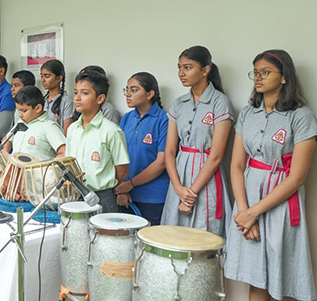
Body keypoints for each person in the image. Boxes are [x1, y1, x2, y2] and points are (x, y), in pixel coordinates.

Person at [225, 50, 317, 301]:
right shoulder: (247, 113)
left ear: (284, 76)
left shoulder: (301, 116)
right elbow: (237, 165)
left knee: (281, 279)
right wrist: (242, 209)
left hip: (280, 203)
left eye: (265, 72)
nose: (259, 78)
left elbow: (296, 177)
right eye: (255, 73)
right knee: (256, 275)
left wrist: (254, 212)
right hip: (248, 197)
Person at [161, 45, 233, 236]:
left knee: (204, 236)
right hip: (179, 174)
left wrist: (190, 194)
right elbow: (169, 151)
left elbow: (217, 155)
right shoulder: (178, 104)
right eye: (179, 67)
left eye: (188, 67)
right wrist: (178, 187)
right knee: (174, 236)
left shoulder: (220, 102)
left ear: (205, 70)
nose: (181, 73)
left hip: (205, 177)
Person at [65, 71, 129, 213]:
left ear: (100, 98)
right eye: (76, 93)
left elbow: (122, 171)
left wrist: (104, 183)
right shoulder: (72, 129)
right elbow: (69, 162)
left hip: (103, 196)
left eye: (85, 93)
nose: (77, 98)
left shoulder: (111, 131)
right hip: (76, 196)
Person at [115, 72, 169, 225]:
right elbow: (117, 156)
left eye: (134, 90)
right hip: (126, 193)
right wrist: (122, 188)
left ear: (150, 94)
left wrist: (130, 184)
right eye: (126, 90)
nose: (128, 95)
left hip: (153, 197)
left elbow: (161, 162)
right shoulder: (126, 118)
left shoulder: (164, 119)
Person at [2, 86, 65, 160]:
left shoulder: (49, 127)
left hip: (38, 170)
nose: (19, 115)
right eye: (18, 110)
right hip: (16, 170)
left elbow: (64, 152)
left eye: (24, 111)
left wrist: (47, 168)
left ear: (38, 108)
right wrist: (6, 154)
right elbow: (6, 140)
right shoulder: (20, 123)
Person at [41, 60, 74, 134]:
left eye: (47, 76)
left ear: (59, 78)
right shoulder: (42, 100)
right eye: (41, 76)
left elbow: (66, 133)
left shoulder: (66, 102)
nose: (43, 80)